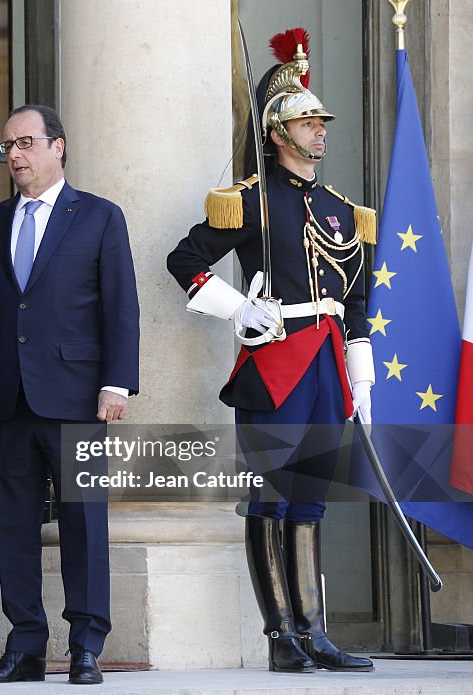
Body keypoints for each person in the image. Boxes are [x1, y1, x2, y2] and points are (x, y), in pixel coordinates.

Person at [166, 28, 375, 674]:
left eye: (321, 120)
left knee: (309, 500)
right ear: (279, 132)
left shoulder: (343, 212)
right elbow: (185, 260)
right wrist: (239, 309)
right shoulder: (250, 201)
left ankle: (313, 629)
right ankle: (279, 634)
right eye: (308, 121)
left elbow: (358, 302)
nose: (321, 130)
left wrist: (361, 376)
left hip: (326, 369)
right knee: (270, 496)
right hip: (276, 363)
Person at [0, 104, 139, 685]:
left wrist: (117, 381)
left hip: (80, 396)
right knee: (12, 524)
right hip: (7, 399)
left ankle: (86, 646)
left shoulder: (99, 217)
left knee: (84, 524)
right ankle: (26, 644)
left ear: (58, 146)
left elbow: (121, 307)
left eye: (26, 142)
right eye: (8, 146)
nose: (14, 154)